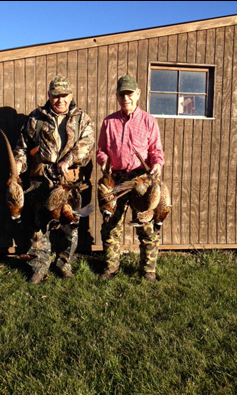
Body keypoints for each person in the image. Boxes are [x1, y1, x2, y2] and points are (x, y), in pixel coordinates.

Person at [14, 76, 95, 283]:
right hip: (40, 182)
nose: (60, 100)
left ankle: (64, 263)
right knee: (38, 226)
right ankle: (39, 266)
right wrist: (17, 165)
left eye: (64, 95)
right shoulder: (35, 118)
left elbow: (87, 144)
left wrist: (68, 160)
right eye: (55, 95)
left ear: (71, 95)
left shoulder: (81, 119)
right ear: (49, 96)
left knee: (70, 226)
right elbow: (22, 147)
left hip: (69, 184)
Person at [96, 75, 164, 282]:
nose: (126, 98)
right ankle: (110, 268)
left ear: (138, 94)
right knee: (111, 225)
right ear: (117, 96)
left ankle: (148, 270)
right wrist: (104, 161)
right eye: (122, 94)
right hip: (115, 179)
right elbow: (101, 150)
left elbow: (156, 151)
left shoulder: (148, 121)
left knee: (146, 225)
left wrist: (157, 165)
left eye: (130, 93)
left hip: (141, 179)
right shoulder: (109, 122)